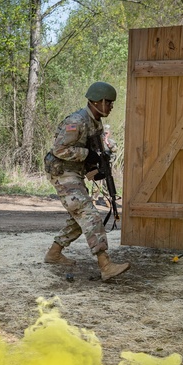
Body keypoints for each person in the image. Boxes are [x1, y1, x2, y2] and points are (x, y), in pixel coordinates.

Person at [43, 81, 130, 280]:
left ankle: (54, 253)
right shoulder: (77, 121)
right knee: (89, 214)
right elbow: (59, 149)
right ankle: (105, 265)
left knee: (79, 216)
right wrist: (87, 155)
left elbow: (94, 149)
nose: (111, 107)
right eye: (109, 102)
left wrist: (95, 166)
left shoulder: (96, 121)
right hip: (62, 172)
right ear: (98, 101)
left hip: (74, 172)